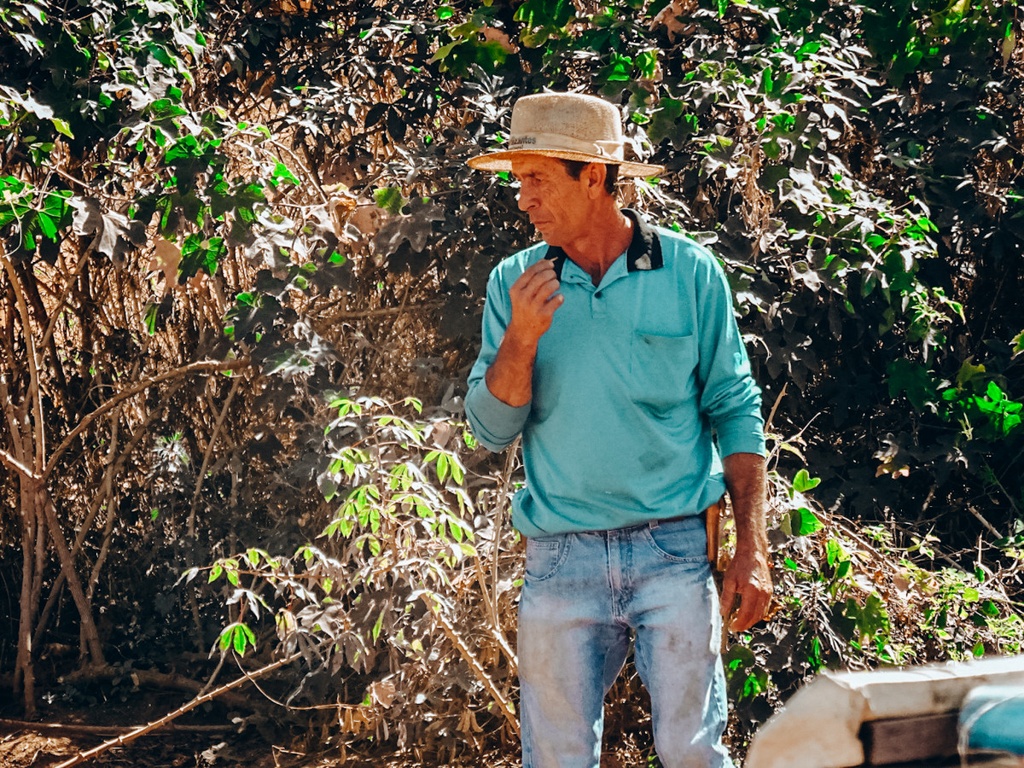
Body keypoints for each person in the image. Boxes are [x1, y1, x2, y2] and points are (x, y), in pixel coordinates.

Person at [464, 91, 771, 768]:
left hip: (674, 552)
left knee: (690, 752)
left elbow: (735, 404)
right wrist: (521, 338)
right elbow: (489, 430)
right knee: (555, 757)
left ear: (595, 176)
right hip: (559, 559)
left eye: (537, 179)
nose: (523, 199)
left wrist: (751, 543)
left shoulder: (689, 273)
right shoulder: (515, 282)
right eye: (518, 181)